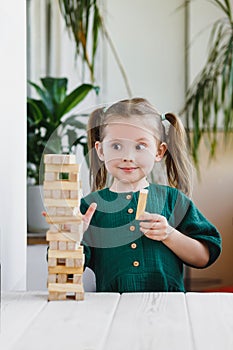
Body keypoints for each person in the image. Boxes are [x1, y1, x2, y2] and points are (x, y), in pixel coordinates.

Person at [80, 97, 221, 293]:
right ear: (100, 150)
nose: (128, 156)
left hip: (169, 310)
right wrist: (71, 236)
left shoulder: (174, 200)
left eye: (140, 146)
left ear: (159, 151)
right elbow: (68, 268)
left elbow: (204, 257)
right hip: (111, 312)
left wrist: (169, 234)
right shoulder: (89, 208)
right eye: (116, 146)